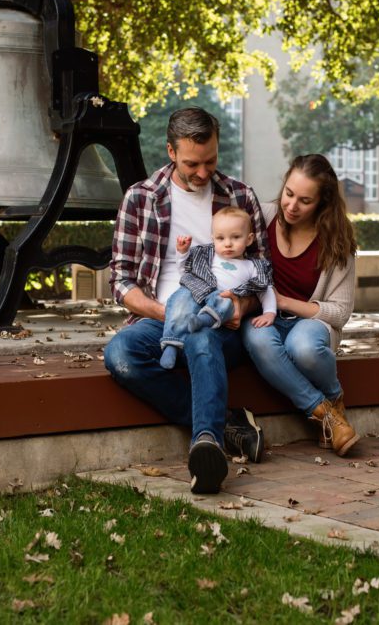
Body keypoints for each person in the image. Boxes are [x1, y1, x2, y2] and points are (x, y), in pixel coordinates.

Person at [103, 107, 267, 495]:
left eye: (211, 161)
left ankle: (205, 444)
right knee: (121, 353)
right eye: (193, 163)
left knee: (200, 334)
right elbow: (121, 280)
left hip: (221, 322)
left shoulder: (240, 196)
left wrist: (241, 309)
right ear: (171, 152)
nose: (203, 172)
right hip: (160, 318)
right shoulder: (141, 198)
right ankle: (226, 425)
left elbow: (263, 275)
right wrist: (167, 313)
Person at [241, 154, 361, 456]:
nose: (292, 206)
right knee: (258, 339)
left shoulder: (337, 240)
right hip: (263, 318)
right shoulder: (262, 216)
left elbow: (340, 312)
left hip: (309, 324)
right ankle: (329, 414)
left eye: (305, 201)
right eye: (289, 194)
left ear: (322, 202)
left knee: (303, 347)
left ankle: (335, 395)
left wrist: (285, 302)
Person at [160, 206, 276, 370]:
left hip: (224, 300)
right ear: (213, 238)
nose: (228, 244)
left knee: (226, 302)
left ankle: (203, 320)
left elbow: (265, 288)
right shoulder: (207, 256)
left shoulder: (253, 265)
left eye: (235, 237)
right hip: (198, 295)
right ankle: (171, 343)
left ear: (249, 239)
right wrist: (183, 253)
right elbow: (186, 273)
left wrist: (270, 313)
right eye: (220, 238)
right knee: (180, 299)